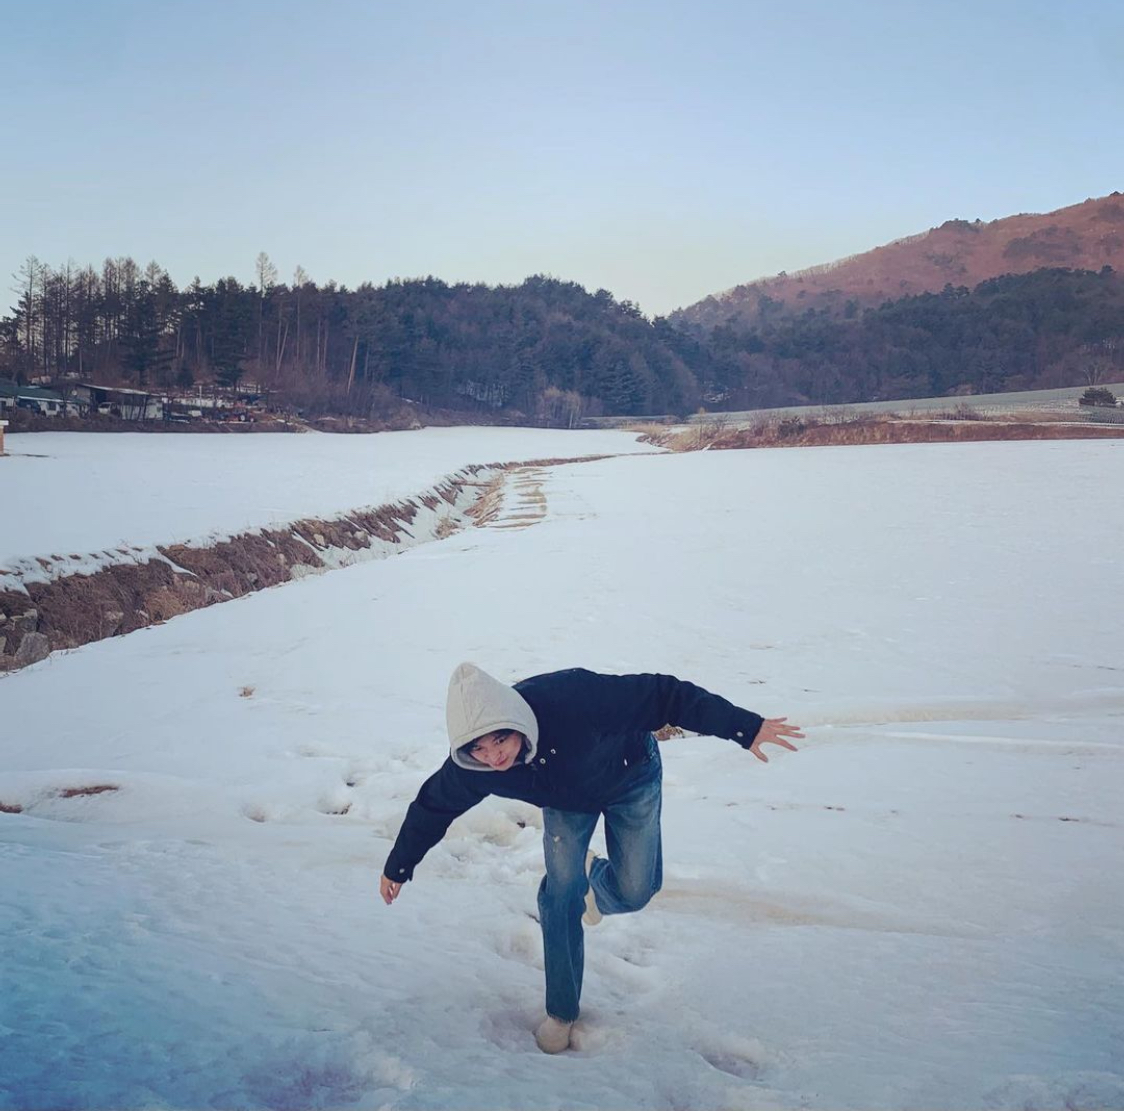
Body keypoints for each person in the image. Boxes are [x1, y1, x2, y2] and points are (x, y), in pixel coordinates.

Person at [380, 662, 804, 1054]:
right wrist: (399, 864)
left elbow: (665, 695)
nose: (494, 756)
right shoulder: (474, 769)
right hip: (567, 804)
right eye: (479, 748)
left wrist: (744, 727)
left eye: (500, 739)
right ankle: (561, 1011)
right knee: (561, 891)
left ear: (516, 724)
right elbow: (432, 807)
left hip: (630, 776)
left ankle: (593, 884)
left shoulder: (575, 698)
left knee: (636, 889)